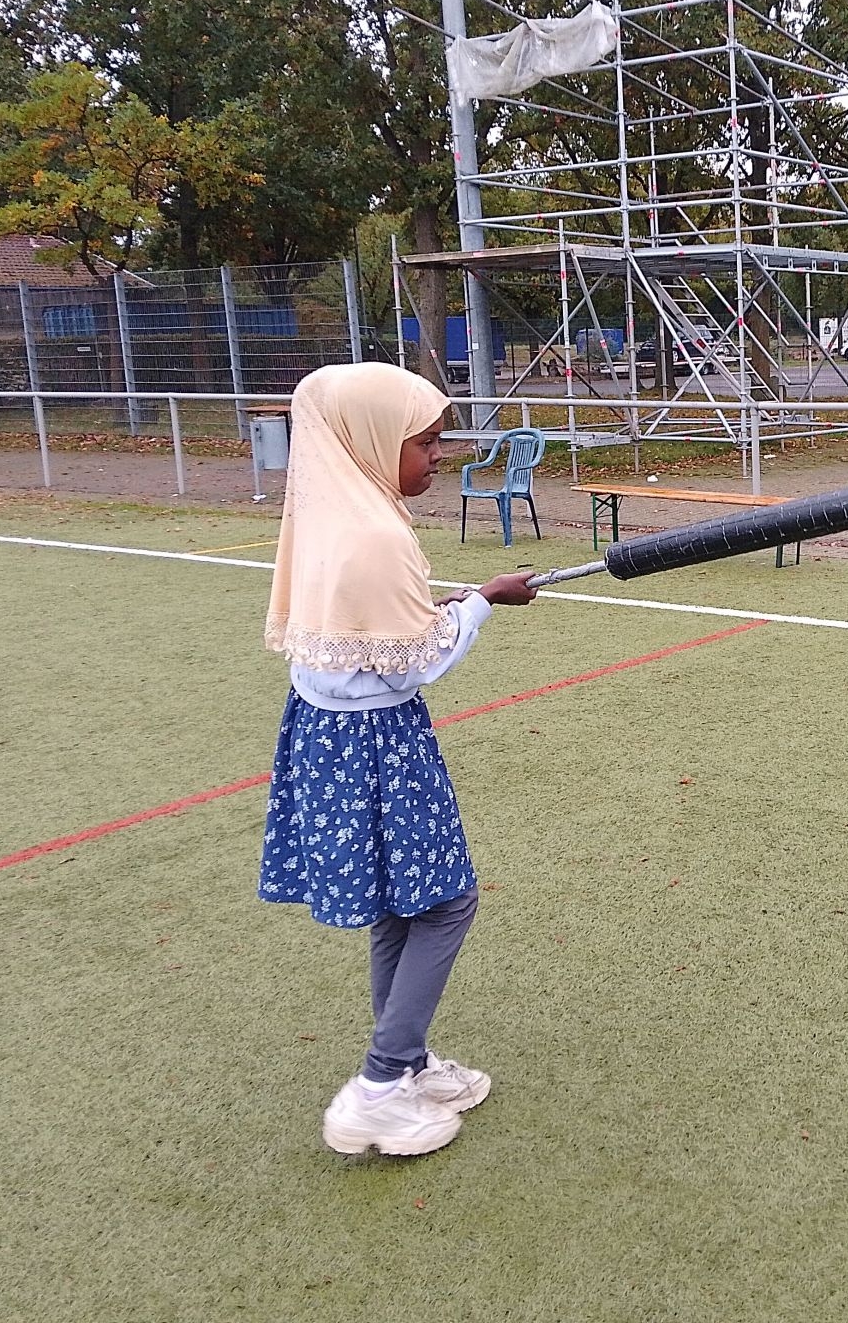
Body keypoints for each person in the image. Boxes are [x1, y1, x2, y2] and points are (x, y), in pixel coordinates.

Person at [258, 362, 536, 1157]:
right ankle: (380, 1085)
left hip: (325, 735)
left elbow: (374, 633)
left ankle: (405, 1063)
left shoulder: (328, 516)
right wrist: (483, 601)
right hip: (376, 743)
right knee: (447, 902)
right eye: (425, 442)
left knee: (398, 903)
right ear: (372, 442)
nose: (439, 455)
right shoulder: (376, 534)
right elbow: (417, 661)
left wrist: (435, 611)